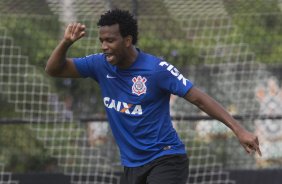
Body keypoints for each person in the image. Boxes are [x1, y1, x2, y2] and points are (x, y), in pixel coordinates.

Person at [45, 9, 261, 184]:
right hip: (131, 165)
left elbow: (198, 98)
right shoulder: (99, 64)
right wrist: (66, 43)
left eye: (110, 40)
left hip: (165, 159)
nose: (104, 46)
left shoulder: (156, 70)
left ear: (127, 40)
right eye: (101, 40)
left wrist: (238, 129)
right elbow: (54, 69)